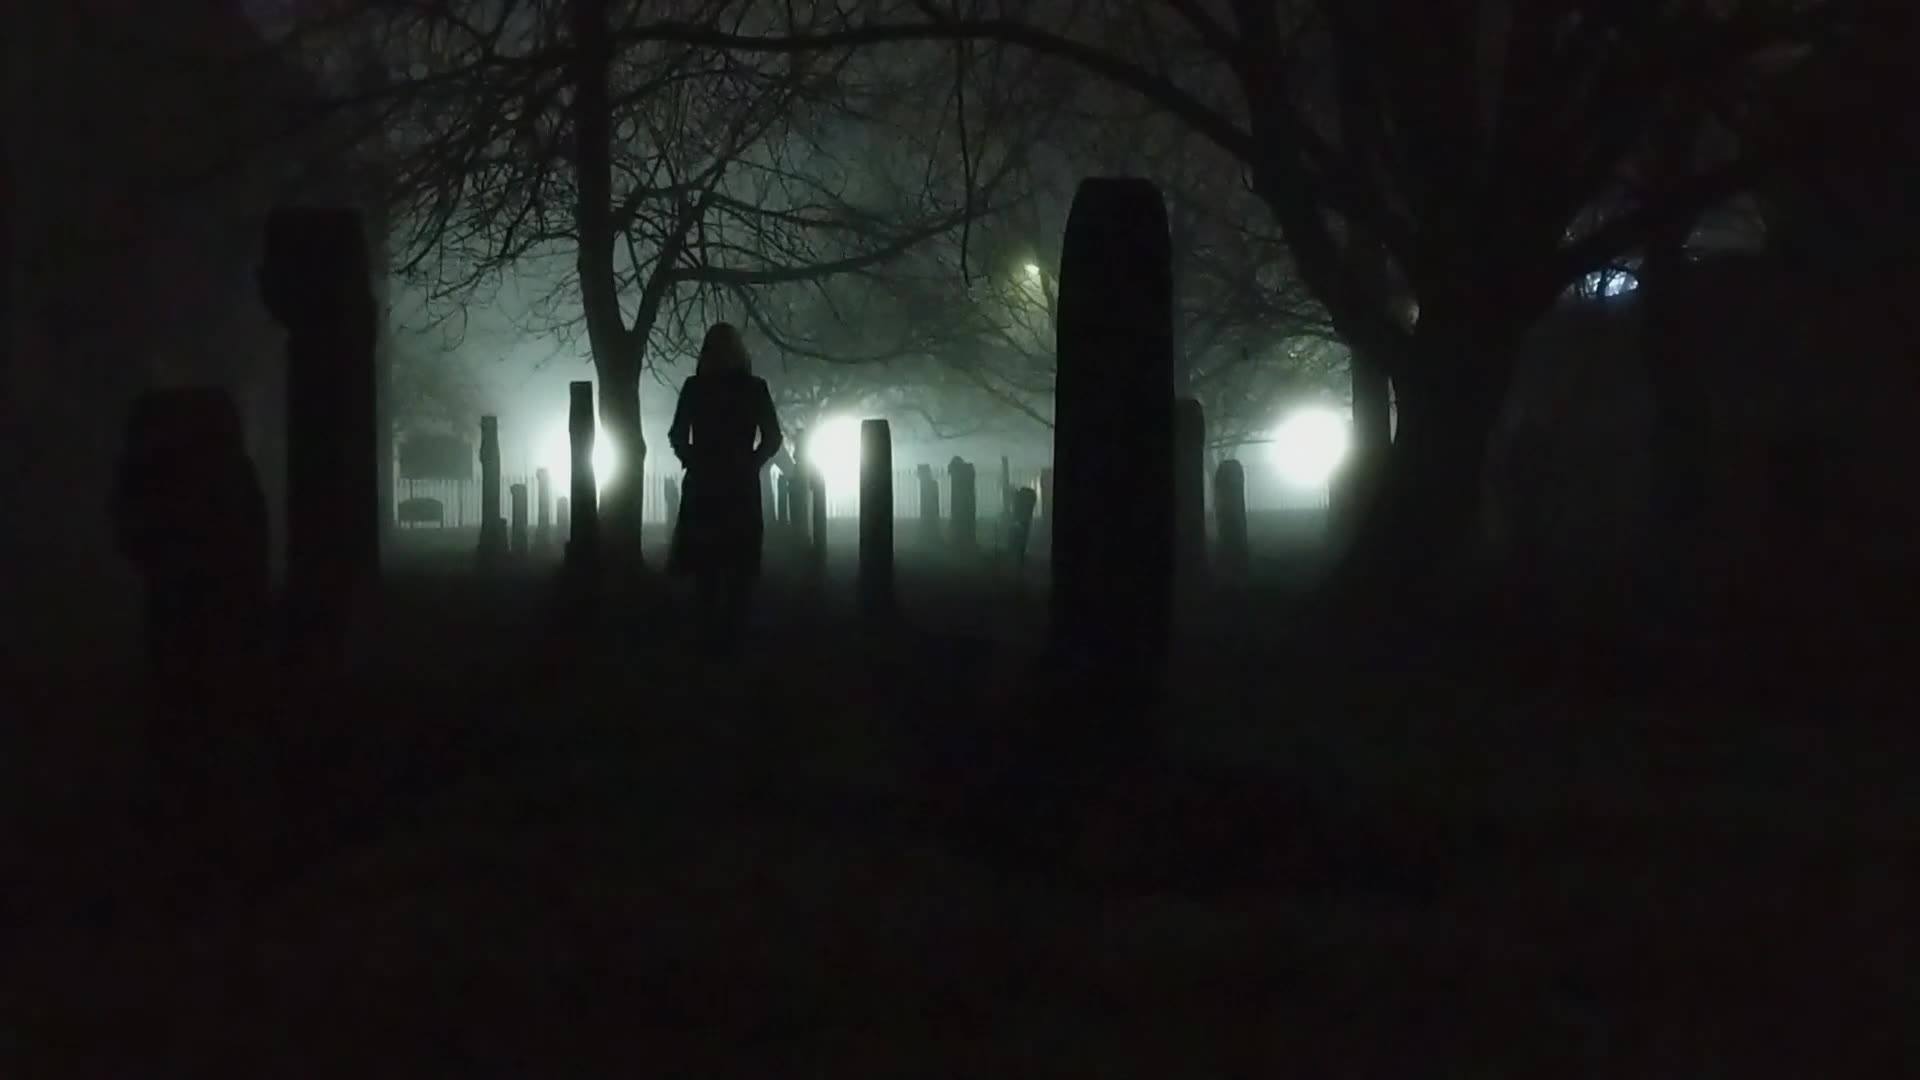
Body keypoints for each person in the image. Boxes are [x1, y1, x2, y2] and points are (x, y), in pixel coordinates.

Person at [666, 323, 784, 652]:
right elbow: (772, 438)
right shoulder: (754, 388)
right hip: (739, 485)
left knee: (709, 567)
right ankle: (732, 640)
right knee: (738, 564)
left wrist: (693, 459)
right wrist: (752, 462)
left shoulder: (695, 388)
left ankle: (710, 641)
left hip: (706, 483)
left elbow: (676, 435)